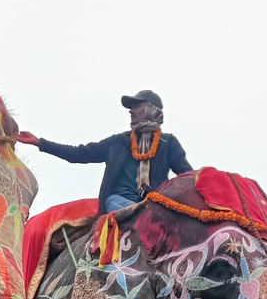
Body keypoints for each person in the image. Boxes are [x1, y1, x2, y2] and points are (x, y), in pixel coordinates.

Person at [17, 90, 193, 213]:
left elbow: (187, 176)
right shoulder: (118, 142)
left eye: (136, 106)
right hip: (118, 202)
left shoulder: (168, 142)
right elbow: (79, 154)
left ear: (151, 109)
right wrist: (40, 143)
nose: (131, 111)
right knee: (125, 209)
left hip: (154, 203)